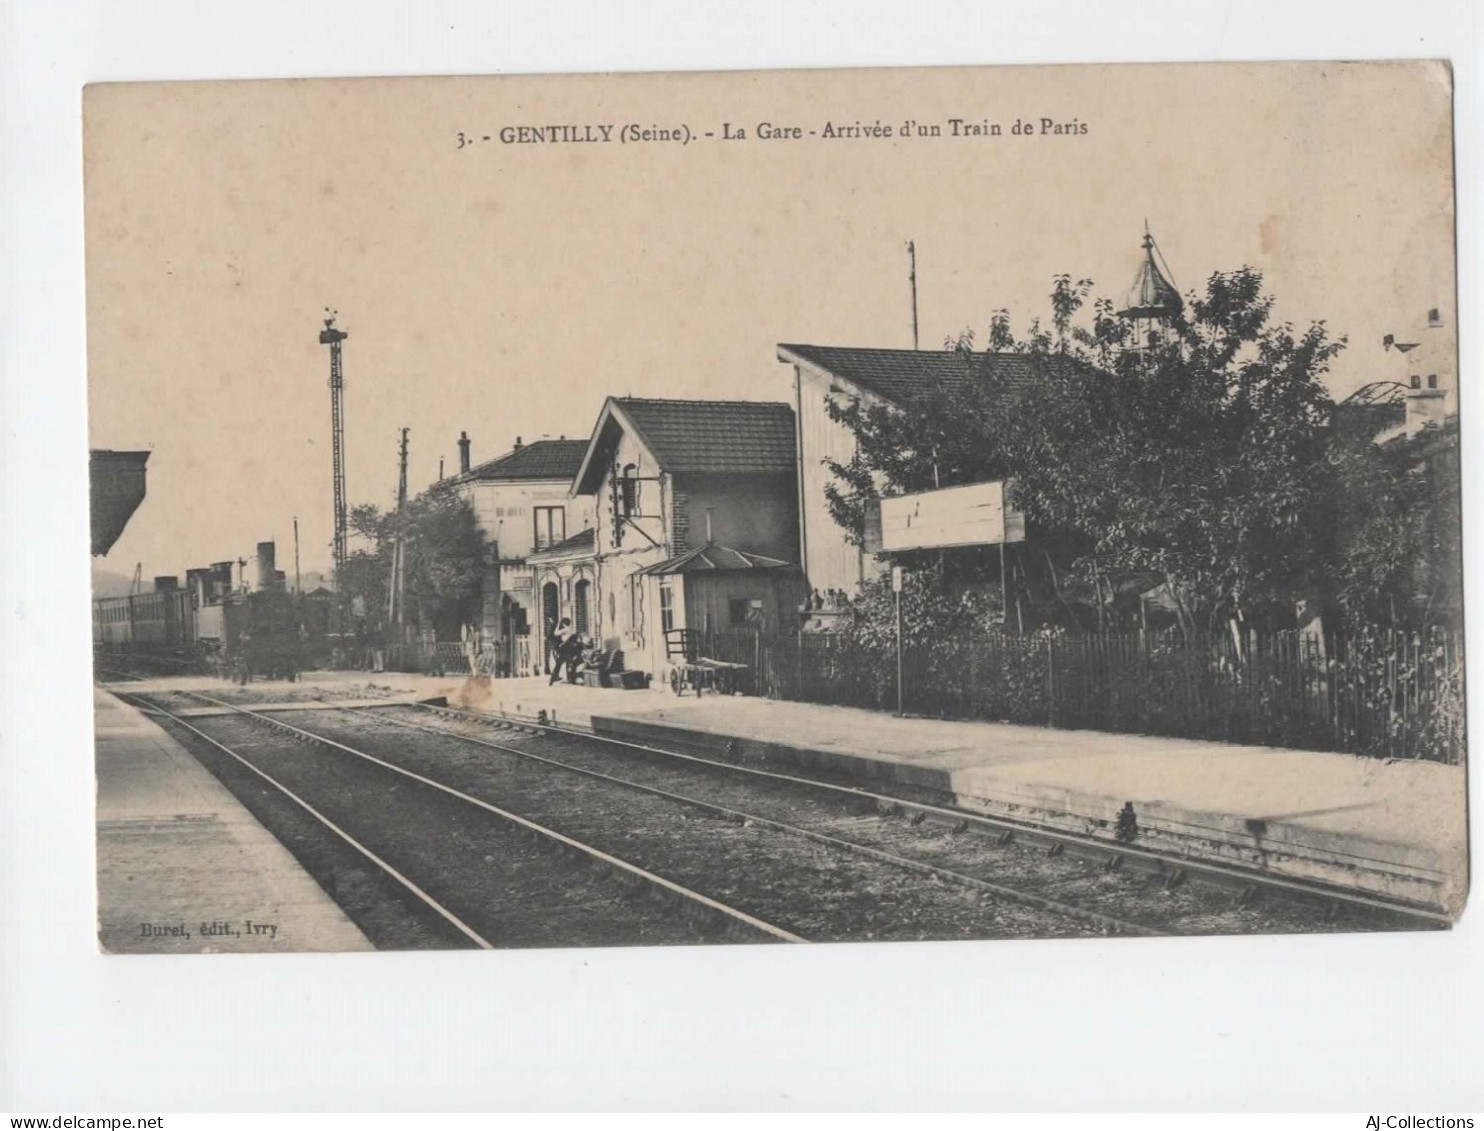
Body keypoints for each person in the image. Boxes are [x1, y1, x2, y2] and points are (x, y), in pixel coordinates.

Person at [547, 617, 573, 685]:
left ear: (563, 623)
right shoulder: (569, 629)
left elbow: (555, 633)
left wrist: (558, 625)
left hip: (564, 648)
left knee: (559, 664)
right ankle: (569, 678)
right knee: (568, 663)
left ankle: (553, 678)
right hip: (569, 648)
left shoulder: (565, 629)